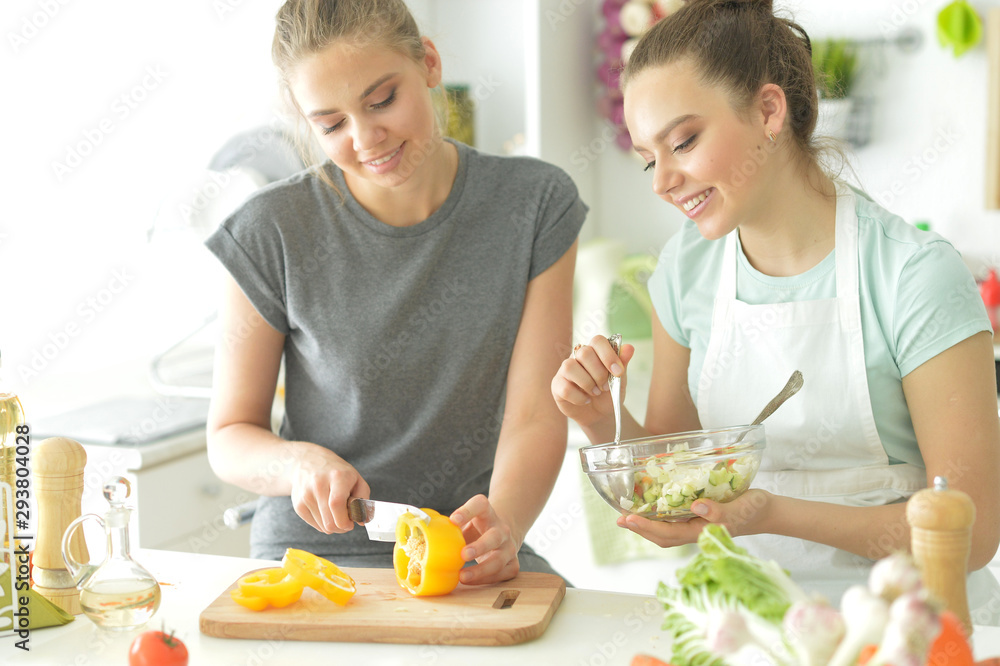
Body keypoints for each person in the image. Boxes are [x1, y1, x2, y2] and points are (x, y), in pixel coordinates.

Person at [552, 0, 1000, 616]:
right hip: (750, 622)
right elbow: (672, 470)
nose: (662, 182)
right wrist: (601, 421)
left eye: (683, 141)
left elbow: (972, 534)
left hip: (914, 625)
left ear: (768, 110)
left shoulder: (914, 274)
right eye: (650, 159)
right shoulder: (687, 270)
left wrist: (773, 514)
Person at [204, 0, 585, 585]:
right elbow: (229, 436)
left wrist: (503, 525)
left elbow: (536, 410)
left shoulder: (534, 204)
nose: (366, 138)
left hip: (462, 550)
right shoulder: (268, 231)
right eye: (331, 125)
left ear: (428, 64)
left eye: (382, 100)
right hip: (316, 556)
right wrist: (298, 462)